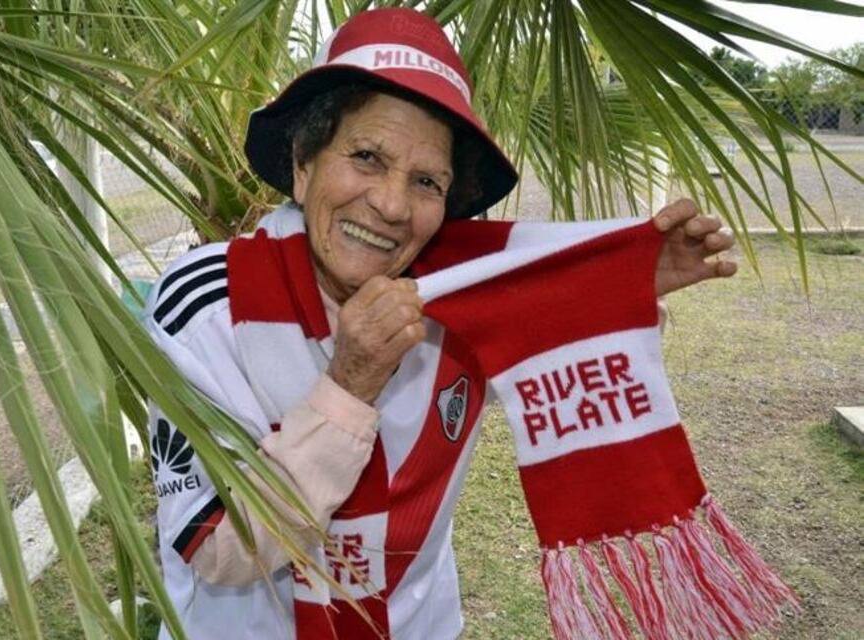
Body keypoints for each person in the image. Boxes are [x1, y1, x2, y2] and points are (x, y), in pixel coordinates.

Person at [145, 8, 736, 639]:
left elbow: (576, 341)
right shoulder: (206, 303)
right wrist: (349, 384)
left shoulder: (470, 289)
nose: (392, 205)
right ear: (302, 163)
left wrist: (620, 285)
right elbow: (220, 553)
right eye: (367, 156)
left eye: (427, 181)